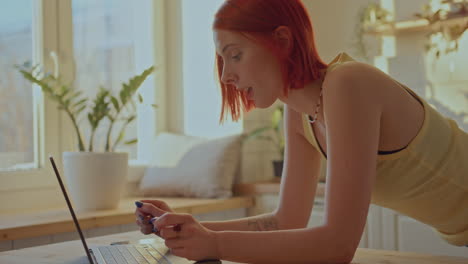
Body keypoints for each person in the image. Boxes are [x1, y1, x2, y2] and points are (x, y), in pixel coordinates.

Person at [135, 0, 468, 263]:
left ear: (282, 40)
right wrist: (186, 226)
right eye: (222, 61)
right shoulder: (298, 112)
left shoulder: (349, 83)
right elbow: (286, 221)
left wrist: (215, 243)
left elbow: (338, 246)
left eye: (235, 55)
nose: (226, 77)